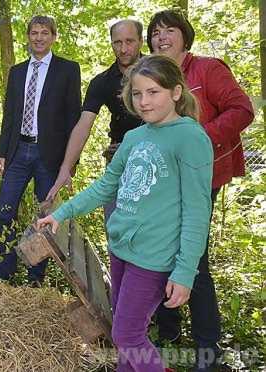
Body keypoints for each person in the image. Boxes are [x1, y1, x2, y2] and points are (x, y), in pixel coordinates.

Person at [37, 54, 213, 372]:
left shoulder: (190, 138)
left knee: (127, 335)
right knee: (127, 335)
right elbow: (106, 187)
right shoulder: (134, 138)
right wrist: (61, 213)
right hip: (122, 249)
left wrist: (185, 271)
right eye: (137, 93)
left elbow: (197, 212)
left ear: (175, 92)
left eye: (153, 92)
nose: (144, 101)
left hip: (154, 256)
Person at [147, 10, 254, 370]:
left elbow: (242, 109)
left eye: (169, 31)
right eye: (156, 32)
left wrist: (202, 139)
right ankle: (170, 332)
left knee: (193, 260)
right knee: (164, 252)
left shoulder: (208, 69)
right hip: (166, 181)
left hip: (201, 177)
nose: (162, 37)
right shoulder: (155, 74)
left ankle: (209, 351)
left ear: (185, 36)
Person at [0, 15, 81, 285]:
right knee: (5, 210)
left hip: (49, 155)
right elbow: (9, 115)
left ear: (54, 37)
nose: (39, 37)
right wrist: (1, 152)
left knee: (45, 215)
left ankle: (35, 276)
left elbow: (73, 118)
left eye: (45, 32)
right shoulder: (17, 72)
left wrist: (70, 163)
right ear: (28, 36)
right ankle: (4, 271)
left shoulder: (67, 70)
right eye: (34, 32)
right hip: (18, 151)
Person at [46, 19, 144, 222]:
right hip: (118, 161)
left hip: (158, 158)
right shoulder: (102, 82)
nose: (123, 49)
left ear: (141, 41)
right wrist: (66, 168)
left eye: (129, 41)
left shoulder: (158, 73)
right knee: (115, 224)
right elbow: (83, 125)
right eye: (117, 42)